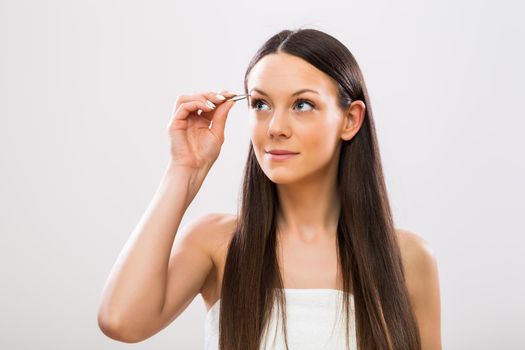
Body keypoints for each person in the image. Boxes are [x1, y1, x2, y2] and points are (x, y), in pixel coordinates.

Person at [97, 28, 441, 350]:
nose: (275, 127)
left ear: (350, 119)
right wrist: (183, 169)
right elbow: (120, 321)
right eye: (261, 104)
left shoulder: (407, 258)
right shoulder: (217, 243)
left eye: (302, 105)